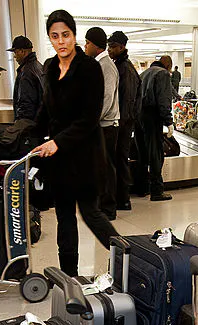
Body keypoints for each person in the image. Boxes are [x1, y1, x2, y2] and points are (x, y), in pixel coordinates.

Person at [30, 10, 119, 276]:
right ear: (49, 38)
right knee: (64, 219)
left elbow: (90, 117)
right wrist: (32, 134)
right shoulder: (49, 67)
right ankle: (68, 276)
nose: (61, 41)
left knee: (91, 214)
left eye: (66, 35)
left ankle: (128, 258)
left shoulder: (89, 68)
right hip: (59, 161)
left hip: (85, 156)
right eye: (55, 36)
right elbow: (46, 109)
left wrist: (57, 141)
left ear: (74, 35)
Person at [84, 26, 120, 221]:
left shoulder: (106, 66)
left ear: (95, 45)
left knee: (106, 166)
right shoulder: (99, 64)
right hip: (101, 124)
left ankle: (108, 208)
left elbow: (105, 98)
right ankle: (101, 204)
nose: (85, 46)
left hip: (106, 126)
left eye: (87, 42)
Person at [107, 31, 138, 212]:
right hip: (122, 122)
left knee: (119, 160)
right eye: (109, 46)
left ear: (122, 47)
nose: (110, 49)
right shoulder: (119, 66)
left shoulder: (125, 69)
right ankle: (121, 198)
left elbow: (126, 101)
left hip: (122, 124)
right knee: (118, 160)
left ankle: (123, 199)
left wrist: (119, 124)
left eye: (113, 47)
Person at [136, 54, 175, 201]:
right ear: (168, 66)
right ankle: (157, 191)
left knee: (142, 154)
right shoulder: (163, 74)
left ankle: (141, 188)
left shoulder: (143, 73)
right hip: (152, 117)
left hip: (138, 116)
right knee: (155, 153)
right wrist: (168, 121)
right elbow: (163, 99)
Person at [9, 35, 44, 121]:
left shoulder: (26, 72)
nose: (14, 56)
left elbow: (26, 105)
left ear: (22, 51)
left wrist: (20, 125)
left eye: (16, 52)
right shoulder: (39, 66)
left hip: (30, 124)